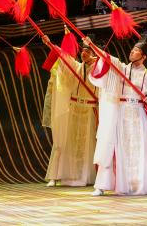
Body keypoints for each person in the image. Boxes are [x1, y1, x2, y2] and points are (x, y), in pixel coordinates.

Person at [88, 37, 147, 196]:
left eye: (136, 51)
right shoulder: (120, 69)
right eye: (132, 49)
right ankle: (101, 186)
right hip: (121, 114)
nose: (132, 52)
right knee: (114, 147)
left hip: (140, 114)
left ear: (144, 57)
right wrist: (93, 46)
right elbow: (108, 59)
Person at [42, 35, 99, 187]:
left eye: (88, 51)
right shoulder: (77, 67)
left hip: (90, 110)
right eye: (83, 51)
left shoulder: (99, 69)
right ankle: (59, 175)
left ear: (94, 53)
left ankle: (85, 176)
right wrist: (49, 43)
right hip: (74, 108)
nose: (84, 53)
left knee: (88, 144)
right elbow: (63, 55)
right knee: (67, 142)